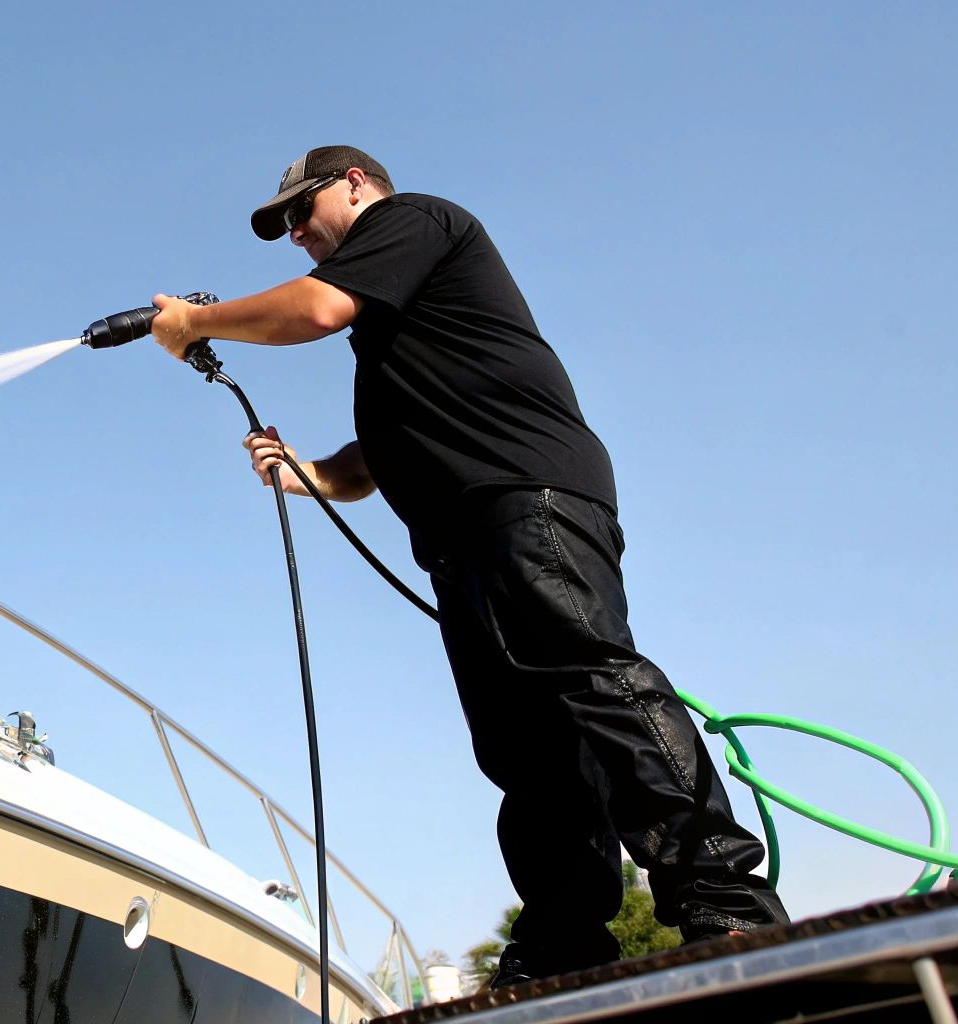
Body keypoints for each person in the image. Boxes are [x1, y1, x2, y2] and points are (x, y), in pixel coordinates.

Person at [147, 146, 789, 985]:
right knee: (527, 752)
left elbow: (311, 311)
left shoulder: (412, 220)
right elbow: (368, 466)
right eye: (287, 227)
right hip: (460, 538)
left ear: (355, 184)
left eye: (304, 212)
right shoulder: (394, 318)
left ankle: (725, 900)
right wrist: (311, 474)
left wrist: (196, 322)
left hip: (526, 496)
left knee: (593, 678)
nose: (298, 233)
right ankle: (565, 939)